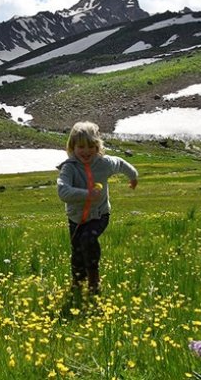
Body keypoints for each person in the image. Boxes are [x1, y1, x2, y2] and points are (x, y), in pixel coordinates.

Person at [57, 121, 138, 295]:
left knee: (88, 240)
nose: (86, 151)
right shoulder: (69, 168)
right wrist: (86, 194)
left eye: (91, 146)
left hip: (100, 215)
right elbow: (63, 191)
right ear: (72, 147)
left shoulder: (104, 163)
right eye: (81, 147)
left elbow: (121, 164)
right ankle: (77, 283)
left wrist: (133, 176)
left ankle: (94, 281)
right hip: (76, 218)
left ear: (97, 146)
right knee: (77, 252)